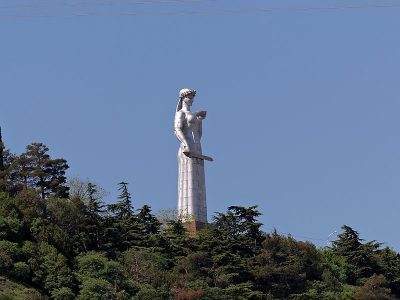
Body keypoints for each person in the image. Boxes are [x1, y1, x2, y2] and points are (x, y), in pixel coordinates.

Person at [174, 88, 208, 226]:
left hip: (197, 148)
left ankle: (200, 218)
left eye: (193, 97)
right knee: (187, 181)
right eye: (190, 97)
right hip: (186, 148)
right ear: (183, 98)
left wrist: (200, 120)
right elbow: (177, 129)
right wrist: (185, 143)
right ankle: (186, 219)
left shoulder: (193, 114)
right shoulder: (180, 113)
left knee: (198, 180)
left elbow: (199, 134)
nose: (192, 100)